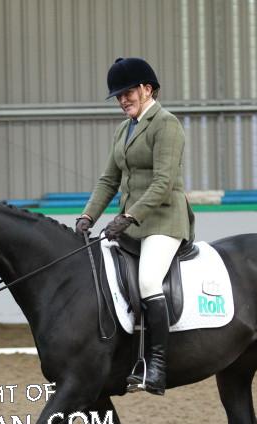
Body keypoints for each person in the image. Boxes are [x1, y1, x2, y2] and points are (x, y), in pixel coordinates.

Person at [75, 57, 194, 396]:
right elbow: (108, 180)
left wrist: (127, 217)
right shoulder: (123, 129)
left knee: (148, 280)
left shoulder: (166, 124)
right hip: (131, 225)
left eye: (128, 92)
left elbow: (163, 183)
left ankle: (157, 366)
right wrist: (87, 217)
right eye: (118, 95)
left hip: (163, 221)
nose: (122, 99)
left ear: (147, 89)